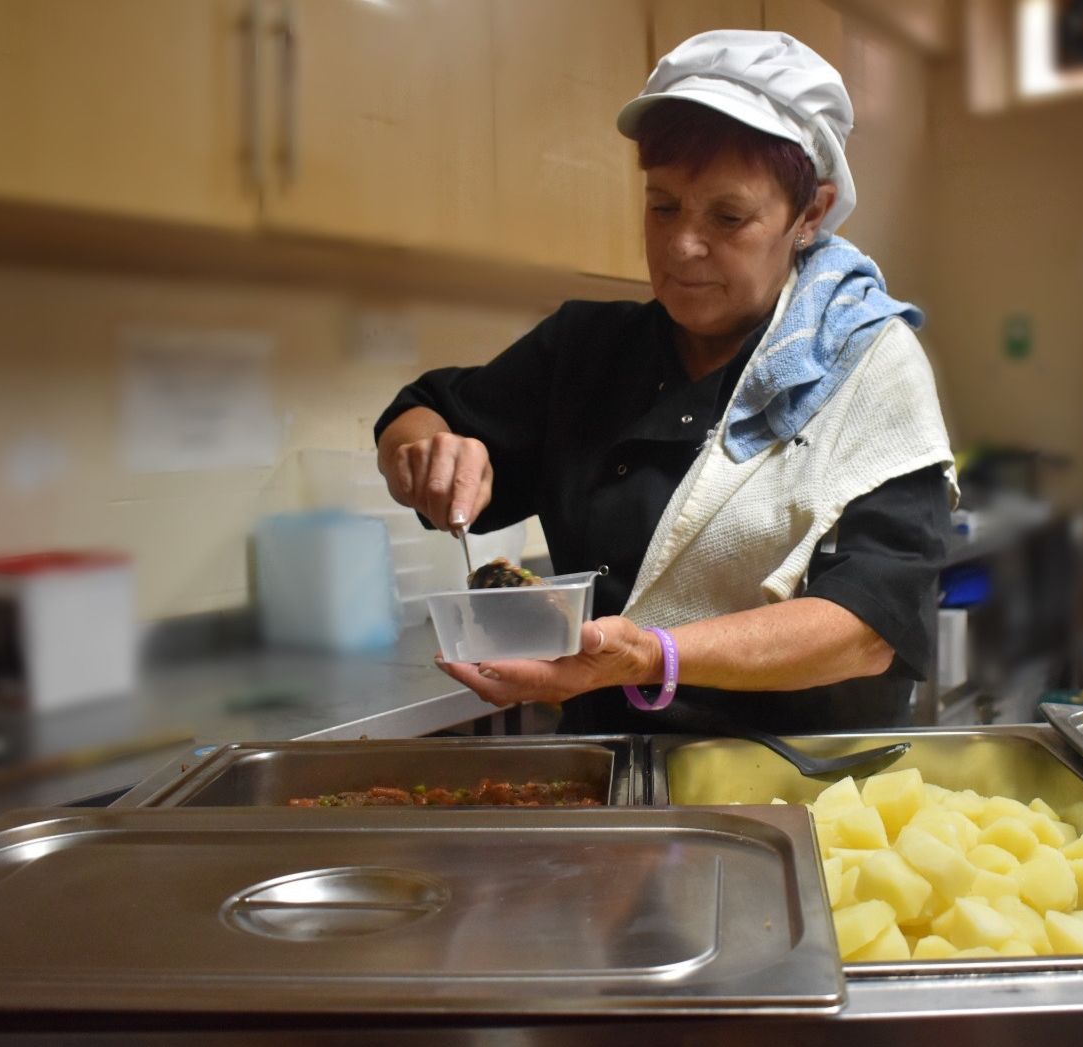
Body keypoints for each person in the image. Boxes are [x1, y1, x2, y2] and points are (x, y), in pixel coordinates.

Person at [374, 30, 956, 735]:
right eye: (663, 206)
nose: (683, 245)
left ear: (809, 215)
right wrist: (426, 457)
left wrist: (652, 654)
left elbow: (872, 626)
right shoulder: (588, 349)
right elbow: (421, 412)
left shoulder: (866, 368)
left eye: (729, 216)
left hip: (802, 786)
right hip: (615, 776)